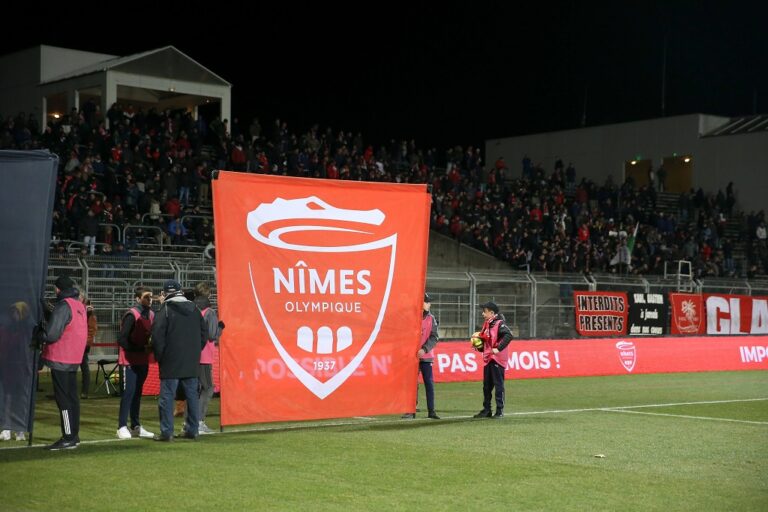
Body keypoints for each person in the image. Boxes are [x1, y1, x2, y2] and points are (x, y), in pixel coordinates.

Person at [151, 280, 207, 441]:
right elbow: (204, 335)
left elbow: (157, 337)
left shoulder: (165, 310)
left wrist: (161, 356)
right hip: (191, 360)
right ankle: (192, 430)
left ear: (165, 293)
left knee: (167, 397)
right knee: (192, 397)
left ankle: (166, 432)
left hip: (170, 360)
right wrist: (194, 352)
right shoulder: (195, 309)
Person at [36, 276, 88, 450]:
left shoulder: (63, 305)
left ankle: (67, 437)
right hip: (74, 358)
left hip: (61, 358)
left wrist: (38, 335)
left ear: (58, 289)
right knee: (72, 398)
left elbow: (51, 334)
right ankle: (74, 434)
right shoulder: (79, 304)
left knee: (63, 399)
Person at [115, 287, 155, 440]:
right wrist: (138, 348)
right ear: (138, 299)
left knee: (137, 393)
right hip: (129, 360)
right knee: (129, 393)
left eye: (151, 297)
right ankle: (121, 426)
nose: (149, 300)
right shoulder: (132, 315)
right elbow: (122, 339)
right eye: (146, 297)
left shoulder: (151, 315)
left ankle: (135, 425)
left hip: (142, 359)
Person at [191, 282, 224, 434]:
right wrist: (221, 328)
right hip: (204, 355)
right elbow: (212, 335)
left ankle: (191, 421)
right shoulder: (209, 312)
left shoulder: (192, 308)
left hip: (192, 353)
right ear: (208, 295)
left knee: (194, 389)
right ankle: (198, 421)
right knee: (208, 388)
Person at [402, 293, 440, 419]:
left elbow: (434, 337)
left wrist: (424, 349)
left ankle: (431, 411)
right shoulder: (410, 318)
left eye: (429, 302)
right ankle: (410, 411)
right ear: (421, 303)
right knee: (412, 384)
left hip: (426, 356)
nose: (429, 304)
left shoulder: (431, 319)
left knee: (429, 383)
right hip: (412, 357)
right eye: (427, 302)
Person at [472, 301, 513, 419]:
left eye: (484, 311)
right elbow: (488, 340)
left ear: (492, 312)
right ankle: (487, 410)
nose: (482, 314)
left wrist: (498, 349)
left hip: (497, 359)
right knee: (486, 386)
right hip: (489, 358)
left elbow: (509, 335)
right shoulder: (488, 324)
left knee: (498, 385)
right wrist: (480, 346)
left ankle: (499, 410)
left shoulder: (499, 323)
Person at [79, 297, 97, 399]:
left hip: (83, 344)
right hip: (78, 343)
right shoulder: (84, 311)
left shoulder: (89, 312)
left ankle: (84, 391)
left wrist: (86, 343)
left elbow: (92, 329)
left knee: (84, 367)